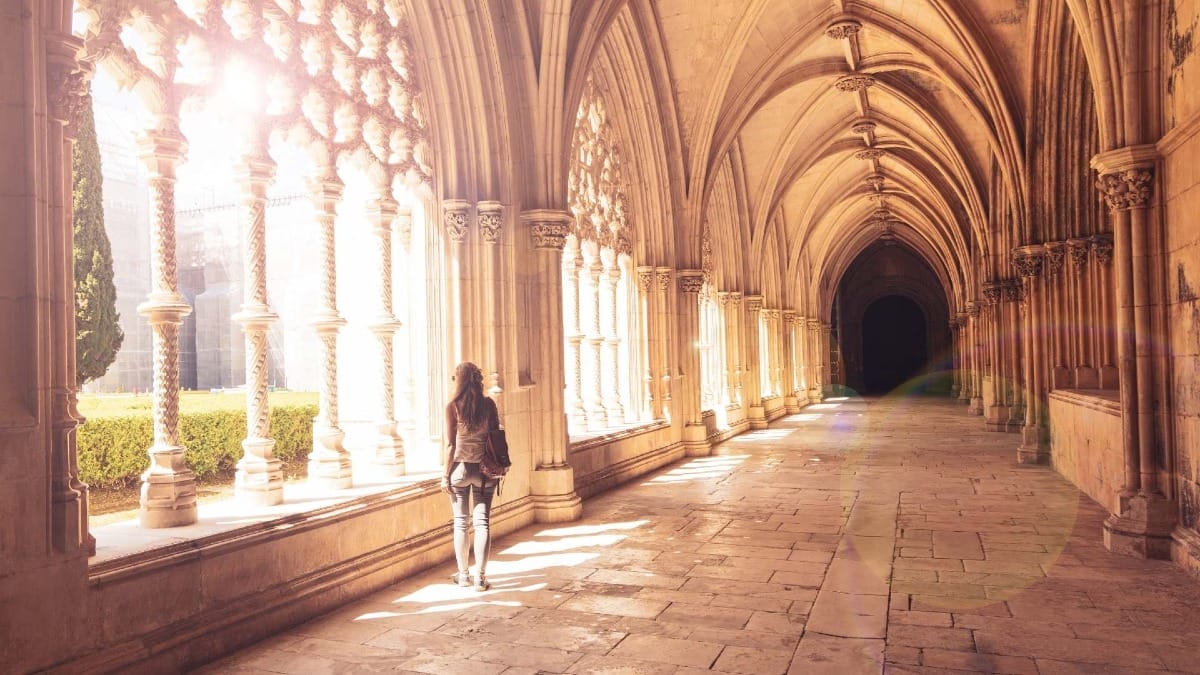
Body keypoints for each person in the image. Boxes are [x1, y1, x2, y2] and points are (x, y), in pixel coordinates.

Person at [441, 361, 500, 591]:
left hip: (460, 470)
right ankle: (481, 578)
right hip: (485, 470)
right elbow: (496, 435)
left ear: (460, 381)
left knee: (461, 523)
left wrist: (445, 476)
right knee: (482, 522)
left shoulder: (453, 407)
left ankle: (464, 575)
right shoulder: (488, 405)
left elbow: (450, 445)